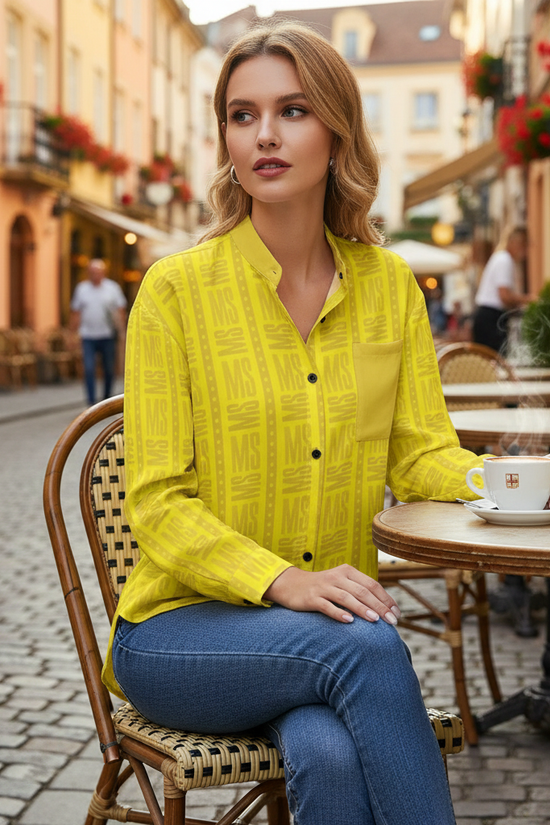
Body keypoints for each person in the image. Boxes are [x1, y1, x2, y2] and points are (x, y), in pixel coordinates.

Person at [102, 22, 488, 825]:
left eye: (293, 110)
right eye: (242, 115)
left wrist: (508, 484)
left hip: (320, 641)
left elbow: (422, 459)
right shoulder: (176, 293)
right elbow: (160, 504)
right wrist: (284, 582)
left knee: (329, 754)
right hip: (180, 633)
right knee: (371, 646)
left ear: (337, 130)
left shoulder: (390, 290)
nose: (265, 135)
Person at [70, 258, 127, 405]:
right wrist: (72, 334)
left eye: (98, 272)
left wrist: (121, 331)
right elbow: (76, 312)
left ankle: (106, 399)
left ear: (103, 273)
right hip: (88, 335)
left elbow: (120, 310)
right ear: (88, 273)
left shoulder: (112, 288)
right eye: (92, 272)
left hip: (107, 335)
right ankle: (91, 402)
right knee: (89, 368)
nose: (95, 275)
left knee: (108, 369)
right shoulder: (82, 289)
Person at [472, 226, 535, 354]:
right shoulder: (504, 260)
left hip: (489, 317)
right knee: (495, 363)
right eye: (523, 245)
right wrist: (530, 299)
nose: (525, 251)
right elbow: (504, 296)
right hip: (490, 318)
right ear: (514, 242)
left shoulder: (501, 258)